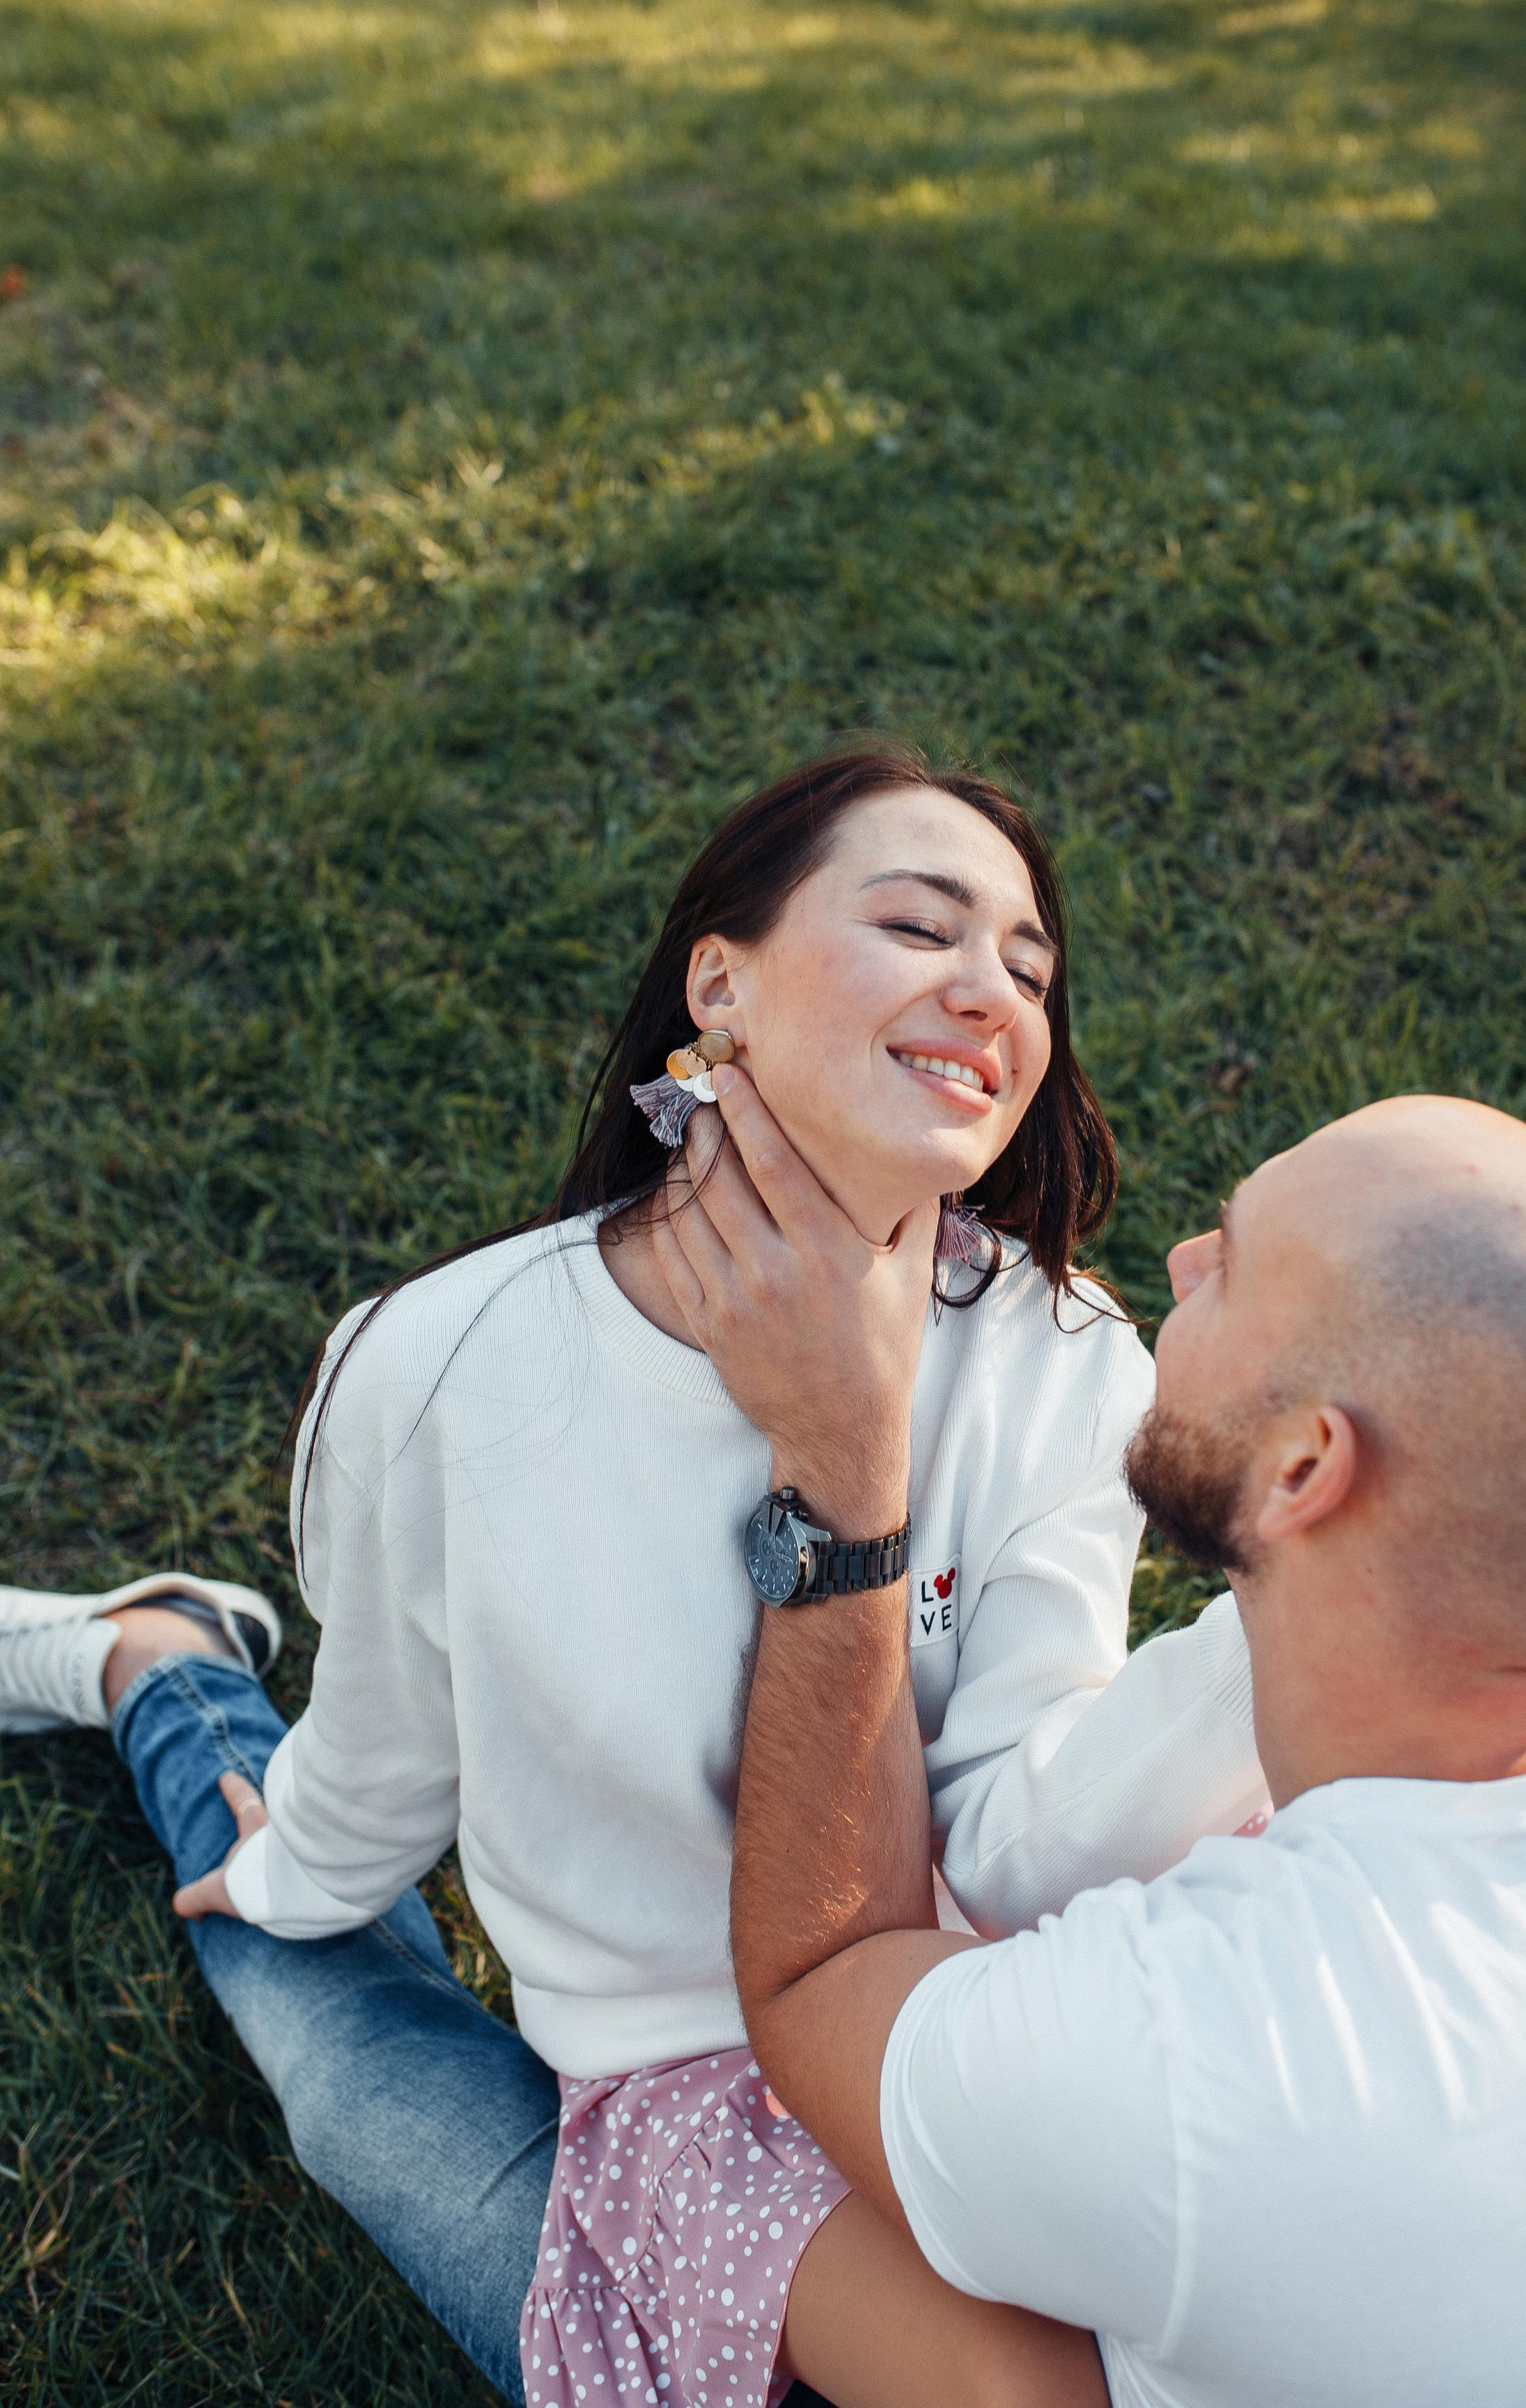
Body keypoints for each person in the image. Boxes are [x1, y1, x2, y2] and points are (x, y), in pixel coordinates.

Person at [0, 746, 1267, 2408]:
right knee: (326, 2054)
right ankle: (152, 1665)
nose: (992, 992)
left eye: (1028, 969)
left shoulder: (1065, 1360)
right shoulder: (440, 1367)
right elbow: (390, 1741)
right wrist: (296, 1875)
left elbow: (1011, 1810)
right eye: (920, 927)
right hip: (656, 2062)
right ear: (718, 985)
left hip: (931, 2028)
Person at [672, 1080, 1526, 2408]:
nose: (1185, 1260)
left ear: (1307, 1473)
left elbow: (816, 1981)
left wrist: (844, 1461)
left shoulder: (1189, 2053)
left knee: (670, 2153)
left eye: (1236, 1259)